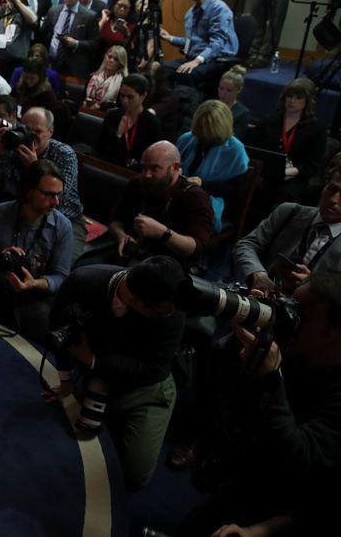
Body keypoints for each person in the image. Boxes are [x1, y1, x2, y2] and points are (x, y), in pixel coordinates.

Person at [175, 272, 341, 536]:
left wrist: (270, 381)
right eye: (291, 306)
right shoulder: (301, 346)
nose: (291, 321)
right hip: (244, 472)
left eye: (303, 317)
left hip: (286, 504)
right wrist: (249, 331)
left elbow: (300, 463)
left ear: (336, 334)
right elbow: (224, 383)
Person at [43, 256, 186, 490]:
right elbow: (59, 327)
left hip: (145, 387)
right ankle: (98, 393)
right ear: (137, 301)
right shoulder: (85, 280)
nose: (165, 314)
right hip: (97, 368)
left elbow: (153, 368)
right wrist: (66, 379)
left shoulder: (173, 311)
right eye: (159, 310)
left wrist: (92, 361)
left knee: (134, 474)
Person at [0, 159, 73, 341]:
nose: (55, 202)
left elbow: (61, 276)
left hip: (32, 294)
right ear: (29, 191)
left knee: (44, 323)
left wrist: (33, 284)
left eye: (58, 195)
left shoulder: (63, 227)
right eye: (48, 195)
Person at [0, 107, 87, 258]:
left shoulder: (64, 154)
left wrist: (35, 167)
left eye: (37, 132)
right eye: (26, 129)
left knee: (58, 261)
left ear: (51, 131)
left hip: (63, 217)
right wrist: (0, 154)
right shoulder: (14, 145)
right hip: (20, 212)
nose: (30, 136)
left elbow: (58, 200)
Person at [232, 164, 341, 296]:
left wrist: (312, 285)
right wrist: (258, 273)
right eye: (332, 189)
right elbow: (246, 245)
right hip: (259, 297)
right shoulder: (289, 212)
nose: (333, 200)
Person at [109, 141, 214, 268]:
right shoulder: (137, 184)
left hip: (167, 267)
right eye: (144, 168)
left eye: (154, 169)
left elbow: (197, 248)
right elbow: (115, 219)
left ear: (175, 168)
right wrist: (121, 236)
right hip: (130, 255)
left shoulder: (194, 197)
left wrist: (162, 232)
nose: (147, 175)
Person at [176, 100, 250, 233]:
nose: (204, 134)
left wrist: (203, 184)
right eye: (201, 128)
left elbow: (235, 190)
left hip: (216, 199)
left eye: (208, 129)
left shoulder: (235, 150)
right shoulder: (188, 138)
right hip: (183, 192)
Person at [250, 77, 326, 204]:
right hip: (264, 173)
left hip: (293, 179)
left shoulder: (316, 129)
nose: (292, 101)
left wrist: (289, 172)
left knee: (285, 196)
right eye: (289, 96)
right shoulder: (269, 121)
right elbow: (253, 148)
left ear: (308, 101)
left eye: (298, 97)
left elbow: (313, 165)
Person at [158, 0, 238, 85]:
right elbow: (192, 42)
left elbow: (217, 44)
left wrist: (196, 61)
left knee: (185, 74)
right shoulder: (190, 13)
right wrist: (169, 38)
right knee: (160, 70)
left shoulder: (219, 9)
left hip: (216, 58)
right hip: (196, 58)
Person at [38, 0, 100, 81]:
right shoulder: (54, 10)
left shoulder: (89, 16)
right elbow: (43, 34)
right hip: (52, 62)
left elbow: (95, 43)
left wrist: (77, 43)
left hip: (74, 66)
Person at [97, 74, 162, 169]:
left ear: (143, 95)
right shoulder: (112, 115)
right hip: (105, 167)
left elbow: (149, 159)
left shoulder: (151, 123)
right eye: (122, 96)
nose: (125, 101)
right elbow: (100, 147)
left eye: (130, 97)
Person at [217, 65, 251, 141]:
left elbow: (234, 141)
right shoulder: (210, 105)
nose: (223, 94)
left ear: (238, 90)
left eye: (229, 90)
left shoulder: (243, 113)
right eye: (221, 88)